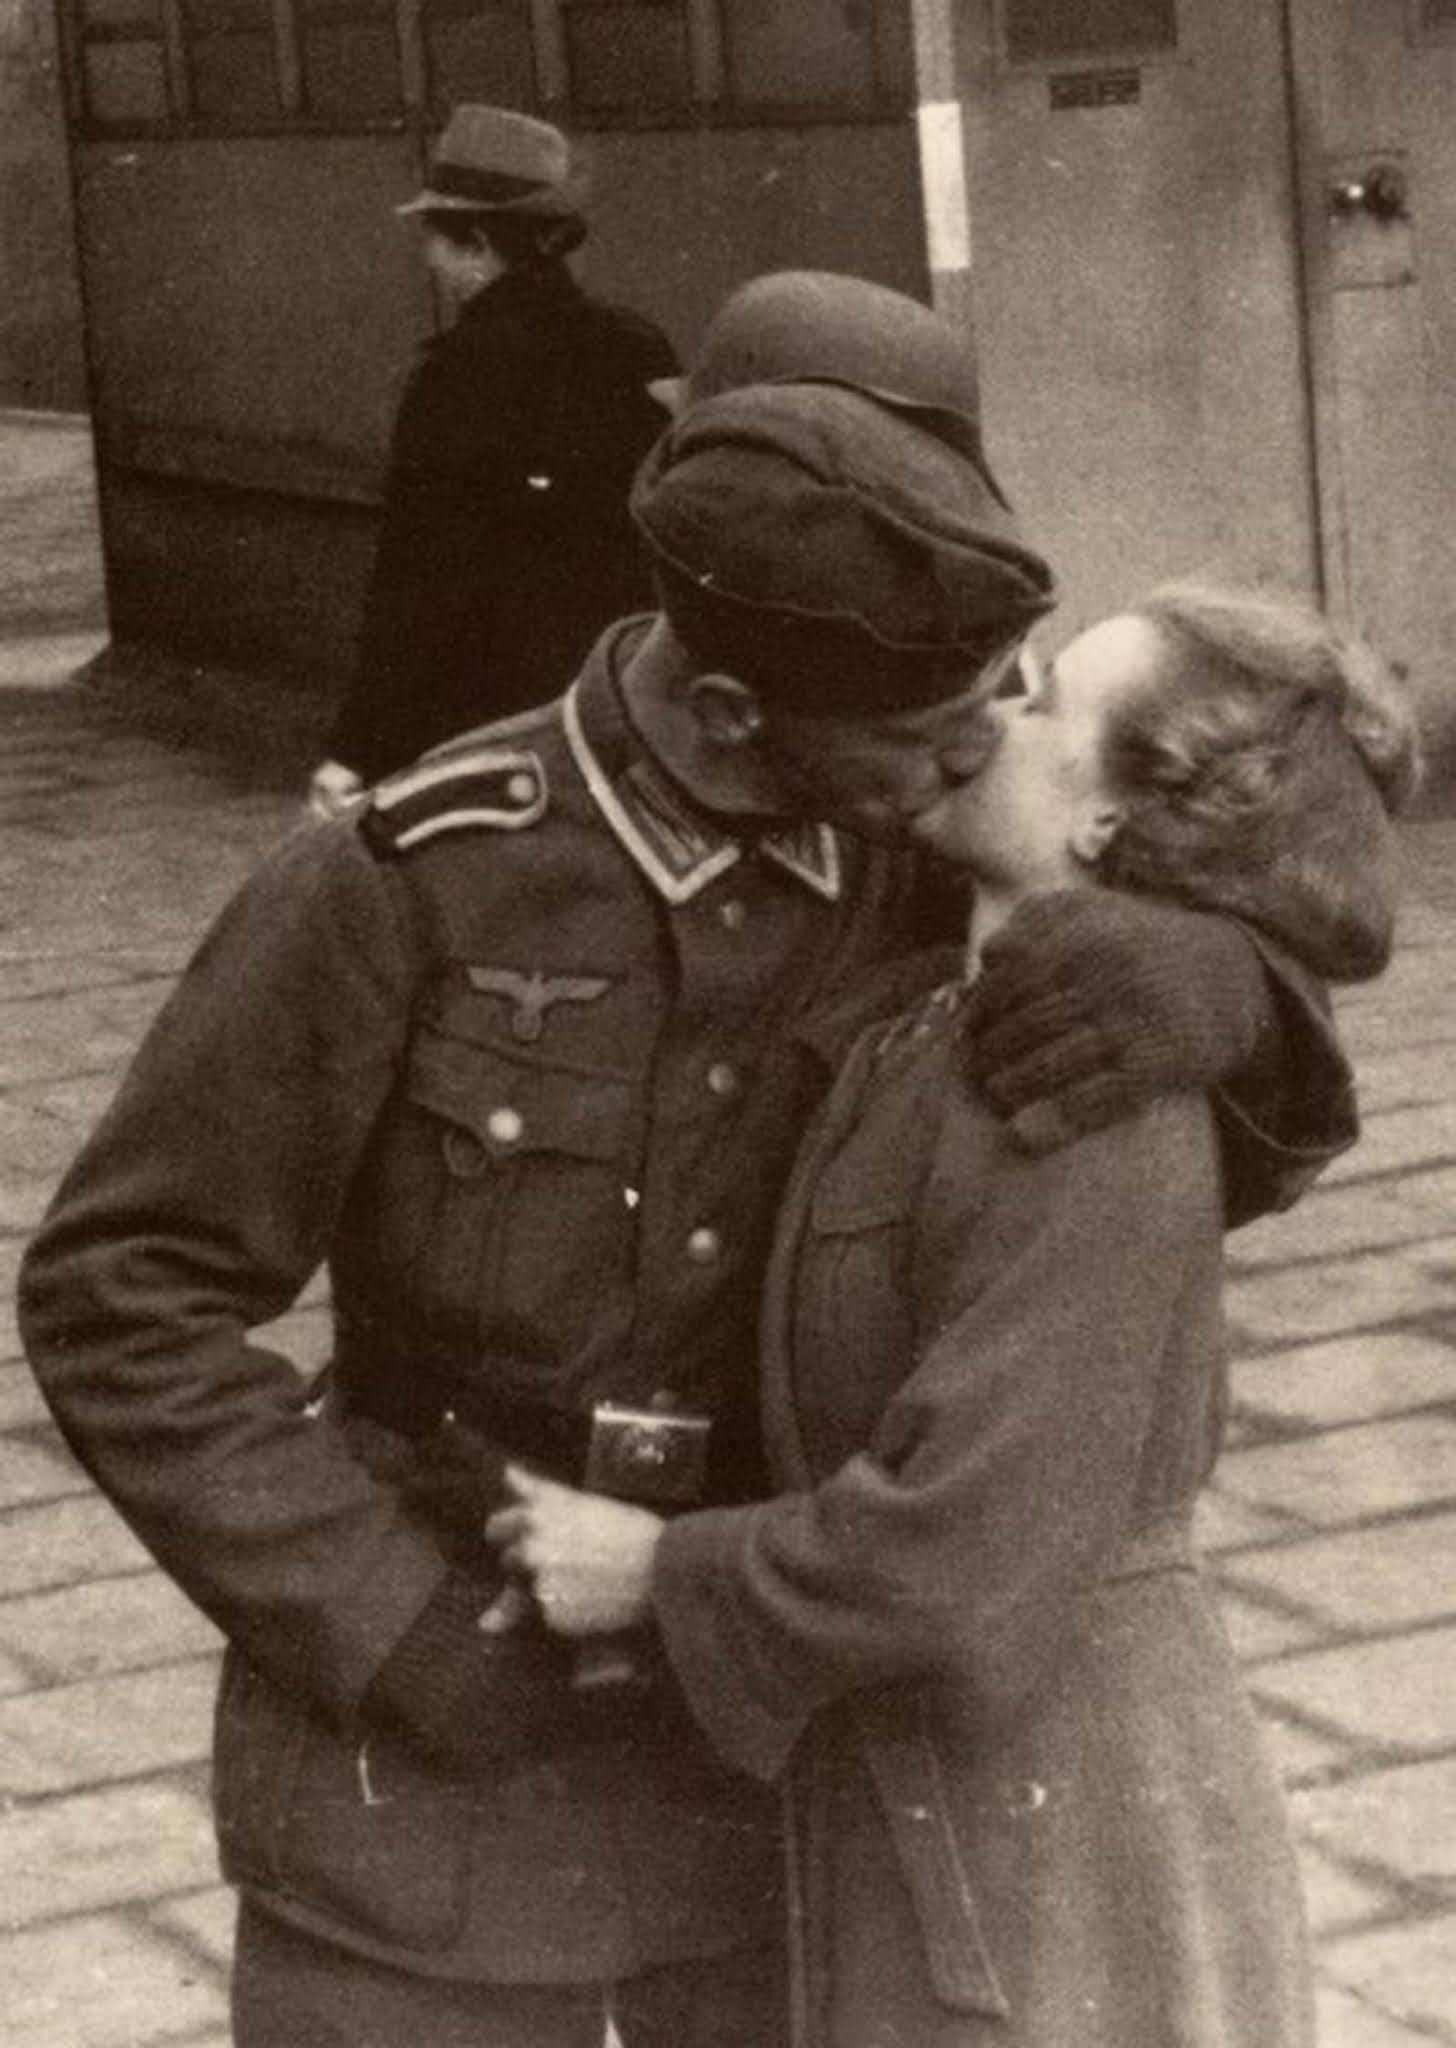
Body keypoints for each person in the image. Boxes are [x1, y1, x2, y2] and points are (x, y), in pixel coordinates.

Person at [19, 274, 1366, 2048]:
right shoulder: (411, 883)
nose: (975, 750)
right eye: (927, 732)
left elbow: (1174, 1095)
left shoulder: (904, 855)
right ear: (733, 712)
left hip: (774, 1807)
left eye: (995, 701)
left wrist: (1233, 987)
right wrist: (394, 1623)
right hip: (424, 1803)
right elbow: (121, 1294)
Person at [487, 583, 1419, 2048]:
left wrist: (657, 1572)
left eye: (1040, 701)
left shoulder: (1092, 1094)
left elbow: (973, 1532)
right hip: (943, 1782)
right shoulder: (954, 1008)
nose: (985, 713)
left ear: (1111, 822)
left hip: (1061, 1823)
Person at [309, 104, 679, 817]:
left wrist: (357, 747)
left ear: (478, 244)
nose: (431, 260)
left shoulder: (455, 377)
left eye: (436, 241)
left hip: (493, 720)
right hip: (620, 702)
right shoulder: (638, 347)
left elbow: (421, 580)